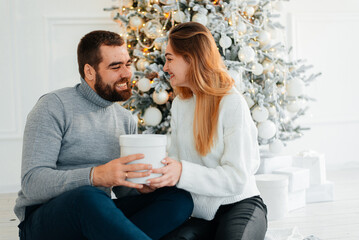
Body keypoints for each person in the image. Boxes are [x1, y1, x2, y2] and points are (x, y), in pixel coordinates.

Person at [14, 30, 193, 240]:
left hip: (97, 213)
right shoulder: (53, 106)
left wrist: (141, 187)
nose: (127, 73)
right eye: (116, 67)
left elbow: (122, 188)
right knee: (89, 196)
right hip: (45, 219)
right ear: (89, 72)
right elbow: (32, 183)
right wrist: (95, 176)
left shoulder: (125, 119)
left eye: (128, 64)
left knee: (178, 198)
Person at [148, 22, 267, 240]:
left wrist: (182, 172)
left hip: (240, 204)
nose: (165, 67)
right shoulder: (180, 105)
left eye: (170, 58)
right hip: (199, 213)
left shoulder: (231, 103)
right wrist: (158, 179)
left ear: (190, 59)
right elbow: (175, 159)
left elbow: (236, 178)